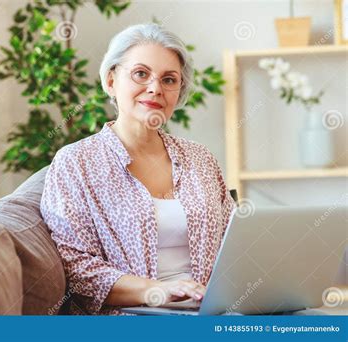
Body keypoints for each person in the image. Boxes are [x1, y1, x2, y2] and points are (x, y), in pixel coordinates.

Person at [40, 23, 235, 315]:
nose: (155, 88)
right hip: (134, 317)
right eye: (140, 74)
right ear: (110, 81)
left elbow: (235, 240)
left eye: (169, 80)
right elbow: (77, 269)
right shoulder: (76, 163)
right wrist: (156, 291)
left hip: (214, 312)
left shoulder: (200, 158)